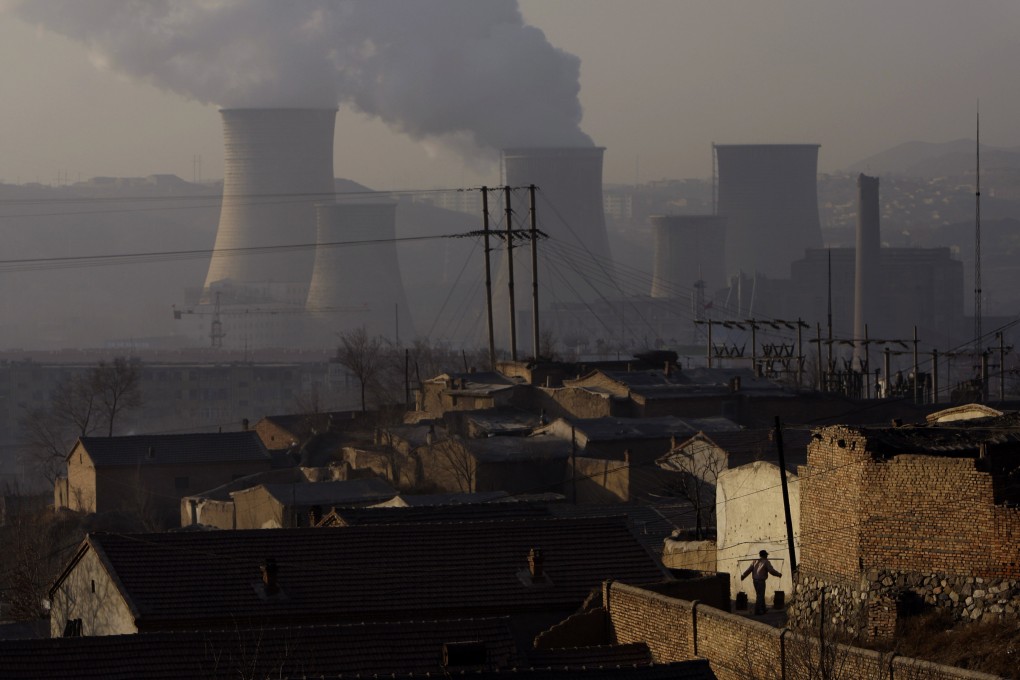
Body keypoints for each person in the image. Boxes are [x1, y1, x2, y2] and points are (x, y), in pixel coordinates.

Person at [740, 549, 782, 615]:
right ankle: (757, 611)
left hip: (755, 581)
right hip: (760, 581)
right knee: (760, 596)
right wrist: (778, 574)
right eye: (766, 555)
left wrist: (743, 575)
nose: (767, 556)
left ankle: (763, 609)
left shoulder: (755, 561)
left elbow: (749, 570)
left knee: (760, 595)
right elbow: (771, 571)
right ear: (764, 555)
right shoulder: (766, 562)